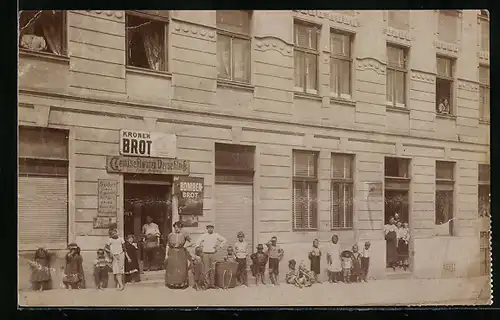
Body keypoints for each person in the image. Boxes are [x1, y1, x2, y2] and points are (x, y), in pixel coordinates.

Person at [195, 223, 227, 288]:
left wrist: (219, 247)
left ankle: (212, 284)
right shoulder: (204, 235)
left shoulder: (216, 235)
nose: (210, 229)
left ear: (213, 228)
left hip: (213, 254)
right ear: (207, 228)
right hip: (205, 254)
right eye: (209, 227)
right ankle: (206, 284)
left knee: (212, 269)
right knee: (206, 269)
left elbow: (224, 240)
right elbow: (197, 242)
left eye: (211, 227)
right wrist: (200, 248)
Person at [165, 221, 192, 289]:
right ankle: (173, 283)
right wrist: (166, 255)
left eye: (179, 227)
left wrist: (185, 246)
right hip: (172, 252)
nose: (177, 229)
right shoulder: (170, 235)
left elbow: (191, 242)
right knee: (172, 267)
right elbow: (167, 245)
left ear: (181, 228)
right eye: (176, 227)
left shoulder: (184, 234)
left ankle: (181, 283)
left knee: (181, 267)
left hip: (181, 252)